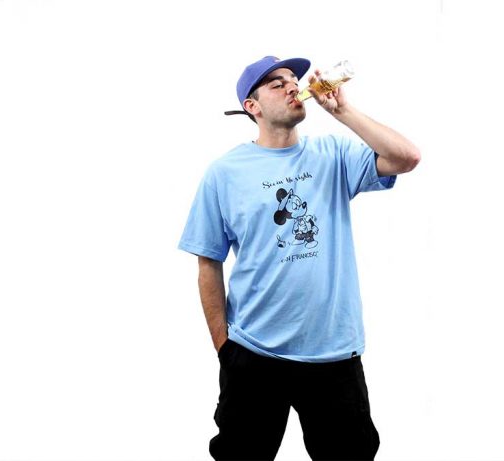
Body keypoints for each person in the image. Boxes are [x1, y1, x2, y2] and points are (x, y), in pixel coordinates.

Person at [178, 55, 420, 460]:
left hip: (333, 353)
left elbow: (406, 157)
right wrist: (225, 348)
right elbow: (207, 262)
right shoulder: (224, 173)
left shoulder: (333, 154)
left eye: (294, 78)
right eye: (276, 84)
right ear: (252, 106)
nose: (293, 85)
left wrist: (343, 112)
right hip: (254, 352)